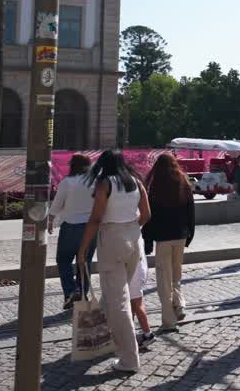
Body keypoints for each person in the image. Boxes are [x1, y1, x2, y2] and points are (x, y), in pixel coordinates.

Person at [78, 149, 151, 376]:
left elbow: (96, 219)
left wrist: (82, 251)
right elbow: (147, 214)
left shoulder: (104, 184)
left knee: (119, 302)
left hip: (112, 240)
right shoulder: (136, 182)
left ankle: (129, 358)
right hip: (133, 239)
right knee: (114, 297)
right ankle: (108, 338)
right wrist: (130, 229)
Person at [143, 153, 195, 333]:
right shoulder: (183, 182)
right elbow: (191, 211)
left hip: (163, 238)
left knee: (163, 280)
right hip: (181, 235)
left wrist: (147, 241)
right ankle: (179, 304)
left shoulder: (156, 186)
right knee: (176, 274)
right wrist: (190, 235)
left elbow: (150, 218)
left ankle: (168, 321)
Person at [49, 153, 96, 310]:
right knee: (85, 262)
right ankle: (82, 292)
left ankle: (70, 291)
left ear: (72, 166)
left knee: (63, 260)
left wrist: (50, 221)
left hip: (71, 226)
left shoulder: (67, 182)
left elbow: (57, 204)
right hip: (91, 227)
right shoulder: (95, 182)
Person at [129, 232, 155, 349]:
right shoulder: (136, 230)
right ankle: (130, 333)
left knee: (137, 304)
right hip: (139, 270)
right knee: (132, 304)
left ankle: (148, 334)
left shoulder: (130, 233)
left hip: (134, 272)